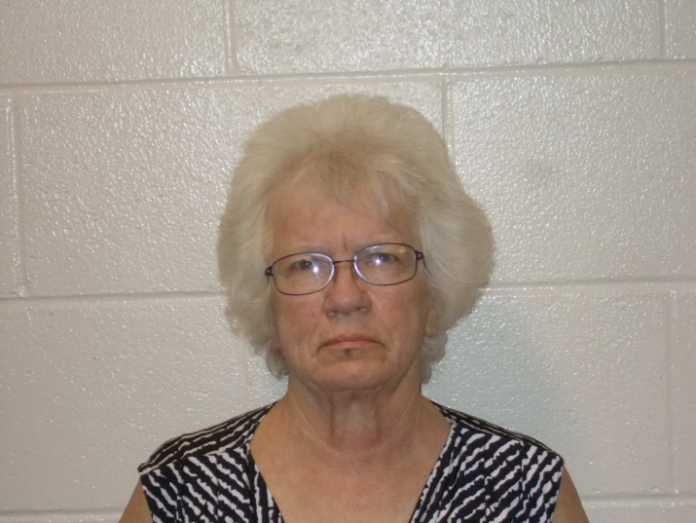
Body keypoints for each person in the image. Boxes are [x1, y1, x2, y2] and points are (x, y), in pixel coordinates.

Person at [120, 95, 589, 523]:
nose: (346, 298)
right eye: (306, 265)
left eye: (382, 258)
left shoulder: (524, 493)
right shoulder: (180, 497)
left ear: (433, 297)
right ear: (268, 306)